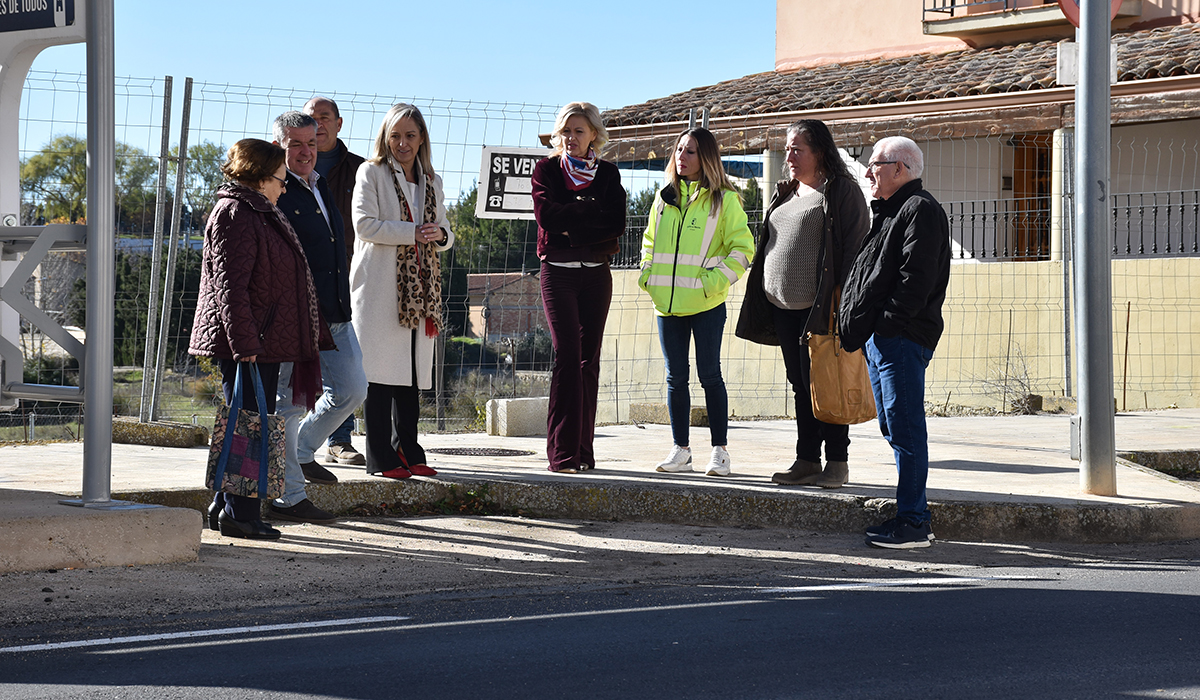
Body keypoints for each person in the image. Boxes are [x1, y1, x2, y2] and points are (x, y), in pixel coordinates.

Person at [188, 138, 332, 540]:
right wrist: (245, 343)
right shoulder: (237, 213)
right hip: (250, 344)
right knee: (249, 426)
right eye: (280, 180)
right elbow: (230, 288)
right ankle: (241, 514)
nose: (284, 187)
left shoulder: (256, 210)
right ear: (260, 176)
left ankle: (227, 504)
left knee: (246, 423)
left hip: (259, 340)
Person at [736, 120, 869, 489]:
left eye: (798, 149)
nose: (789, 156)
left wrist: (843, 304)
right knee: (801, 385)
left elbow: (855, 250)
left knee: (827, 384)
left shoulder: (841, 192)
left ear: (820, 152)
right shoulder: (787, 193)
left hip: (820, 308)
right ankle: (807, 459)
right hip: (782, 308)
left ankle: (837, 463)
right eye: (789, 149)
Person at [839, 135, 951, 549]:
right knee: (893, 425)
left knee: (905, 429)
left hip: (900, 339)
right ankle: (913, 514)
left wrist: (885, 326)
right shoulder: (891, 212)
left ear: (900, 169)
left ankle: (914, 522)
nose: (868, 172)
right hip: (885, 339)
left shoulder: (919, 210)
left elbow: (914, 281)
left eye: (876, 164)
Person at [268, 111, 368, 524]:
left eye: (311, 143)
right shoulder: (275, 192)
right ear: (278, 147)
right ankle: (288, 497)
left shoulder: (321, 184)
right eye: (296, 144)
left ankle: (306, 449)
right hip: (295, 316)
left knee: (352, 389)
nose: (306, 151)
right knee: (287, 406)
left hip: (335, 311)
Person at [639, 128, 754, 477]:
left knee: (709, 376)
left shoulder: (725, 200)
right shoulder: (663, 199)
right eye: (678, 151)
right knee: (675, 378)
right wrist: (647, 275)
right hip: (667, 306)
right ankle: (681, 450)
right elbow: (648, 242)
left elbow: (743, 250)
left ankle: (720, 452)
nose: (681, 157)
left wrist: (710, 283)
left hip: (706, 304)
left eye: (690, 152)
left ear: (706, 158)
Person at [350, 103, 453, 479]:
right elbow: (364, 225)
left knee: (411, 374)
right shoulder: (371, 172)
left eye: (410, 135)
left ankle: (408, 447)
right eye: (395, 135)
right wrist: (413, 232)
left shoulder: (432, 180)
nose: (402, 143)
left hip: (421, 289)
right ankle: (380, 456)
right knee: (380, 374)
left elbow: (443, 228)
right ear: (385, 137)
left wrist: (439, 235)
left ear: (422, 137)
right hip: (380, 287)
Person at [531, 102, 626, 474]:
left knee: (590, 362)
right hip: (558, 274)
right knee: (568, 358)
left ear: (594, 135)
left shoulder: (608, 174)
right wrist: (588, 216)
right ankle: (562, 454)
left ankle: (585, 453)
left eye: (579, 131)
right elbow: (546, 217)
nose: (571, 138)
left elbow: (615, 223)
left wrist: (573, 223)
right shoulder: (546, 170)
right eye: (566, 131)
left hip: (596, 276)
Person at [303, 96, 368, 468]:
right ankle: (297, 447)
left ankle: (339, 439)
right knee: (301, 372)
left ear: (339, 124)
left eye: (325, 118)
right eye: (312, 119)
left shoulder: (360, 169)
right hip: (300, 284)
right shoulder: (287, 170)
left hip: (347, 282)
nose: (319, 125)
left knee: (347, 372)